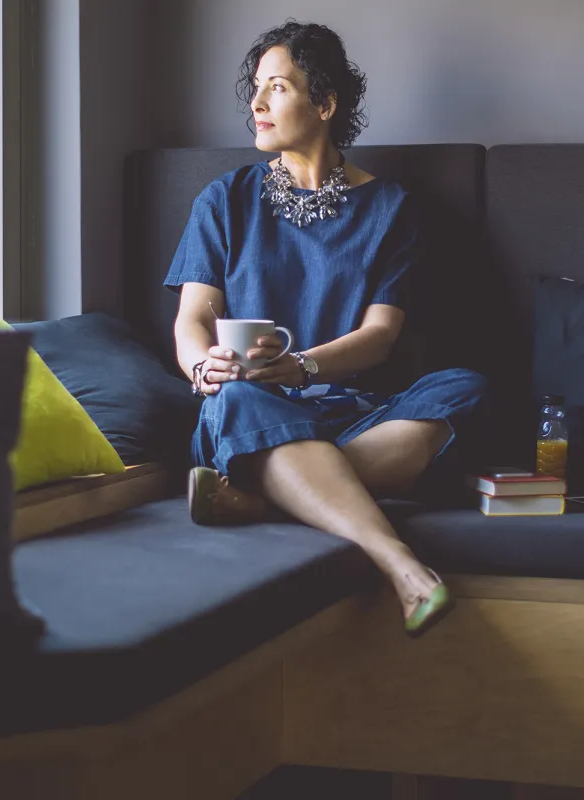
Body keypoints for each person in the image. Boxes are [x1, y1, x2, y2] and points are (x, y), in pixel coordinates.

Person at [164, 20, 487, 637]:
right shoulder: (223, 200)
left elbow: (381, 334)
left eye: (277, 88)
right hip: (252, 408)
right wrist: (202, 365)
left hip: (351, 409)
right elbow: (193, 319)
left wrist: (304, 365)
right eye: (256, 88)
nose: (256, 105)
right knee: (236, 399)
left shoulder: (392, 208)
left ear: (326, 102)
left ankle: (263, 495)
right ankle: (401, 564)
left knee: (465, 388)